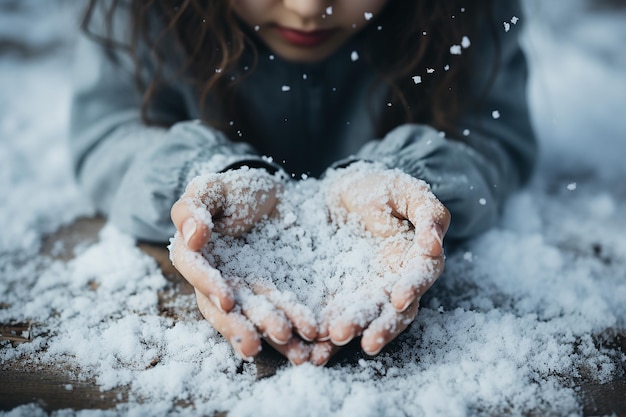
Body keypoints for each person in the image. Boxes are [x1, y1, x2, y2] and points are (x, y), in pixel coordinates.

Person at [71, 0, 536, 365]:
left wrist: (413, 178)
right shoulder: (143, 12)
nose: (308, 8)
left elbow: (495, 135)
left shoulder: (470, 10)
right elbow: (110, 136)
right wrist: (204, 175)